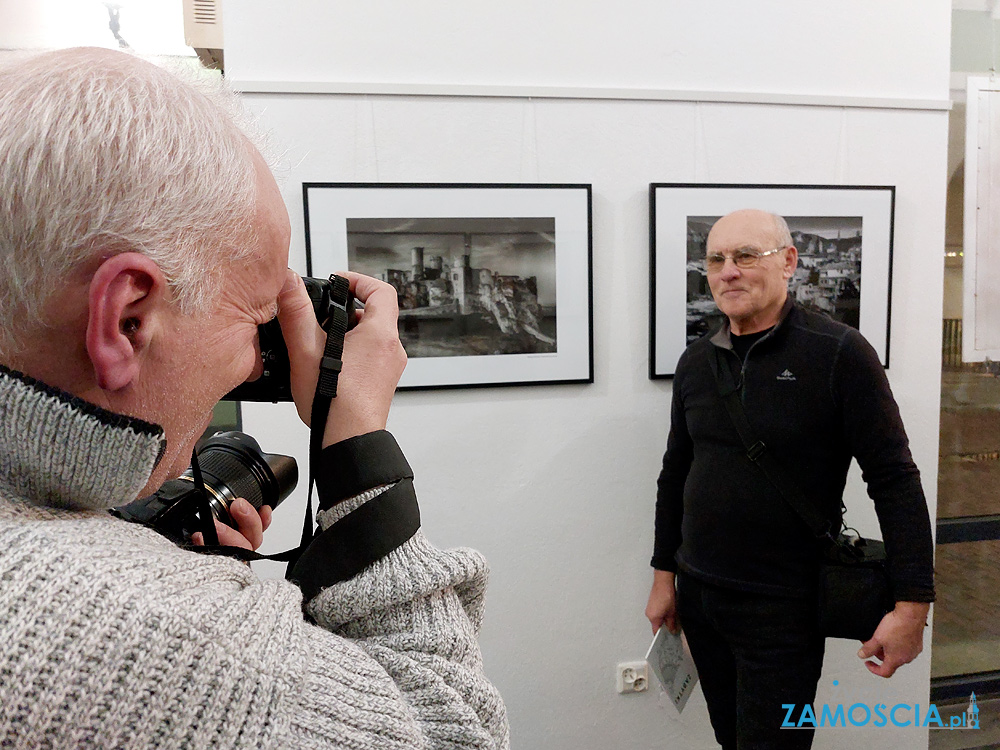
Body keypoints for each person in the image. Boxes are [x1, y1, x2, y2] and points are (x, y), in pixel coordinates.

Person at [0, 47, 509, 749]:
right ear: (127, 320)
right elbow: (457, 731)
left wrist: (141, 545)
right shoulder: (145, 627)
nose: (254, 361)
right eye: (254, 314)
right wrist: (356, 436)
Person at [644, 209, 935, 750]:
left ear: (789, 262)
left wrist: (912, 605)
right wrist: (664, 576)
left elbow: (895, 480)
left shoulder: (839, 354)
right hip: (701, 596)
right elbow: (675, 473)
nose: (728, 271)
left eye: (745, 256)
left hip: (783, 609)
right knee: (730, 739)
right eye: (716, 259)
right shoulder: (696, 362)